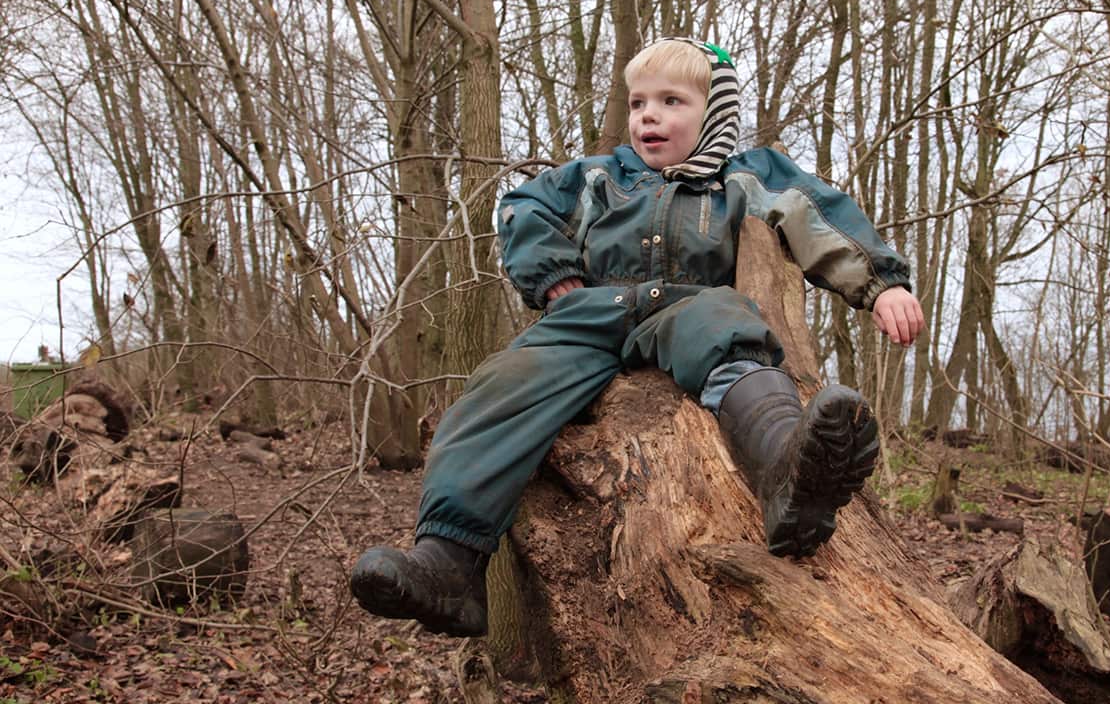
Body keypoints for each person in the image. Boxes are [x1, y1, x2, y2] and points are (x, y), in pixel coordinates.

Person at [349, 38, 924, 637]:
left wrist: (881, 284)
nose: (649, 115)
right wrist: (556, 279)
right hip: (592, 313)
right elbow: (523, 207)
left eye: (671, 101)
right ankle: (449, 561)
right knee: (501, 383)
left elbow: (820, 215)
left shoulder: (745, 175)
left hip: (688, 305)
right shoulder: (602, 176)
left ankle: (788, 474)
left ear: (715, 112)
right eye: (638, 102)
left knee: (731, 329)